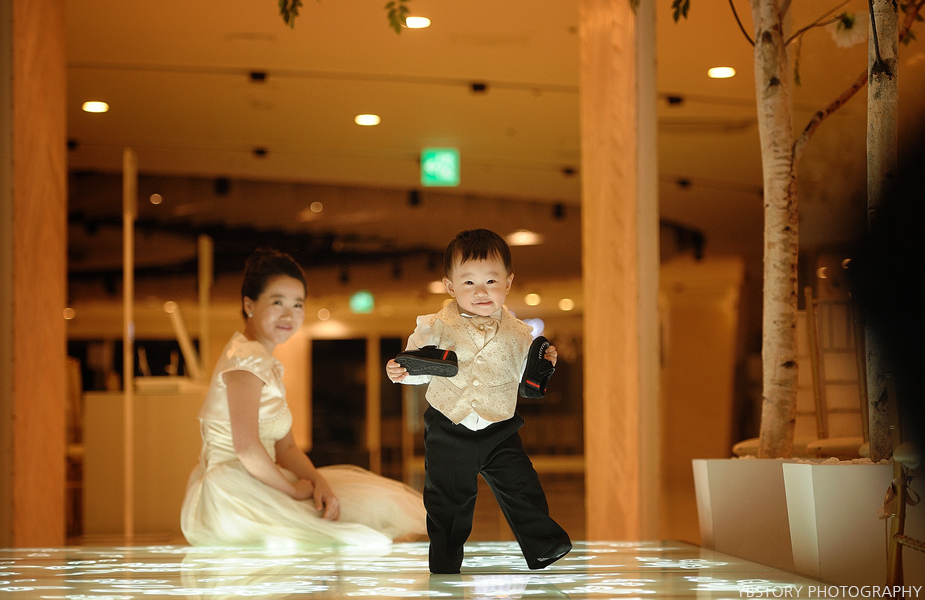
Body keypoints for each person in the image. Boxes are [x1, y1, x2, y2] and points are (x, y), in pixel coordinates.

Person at [181, 248, 426, 547]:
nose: (289, 315)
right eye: (277, 302)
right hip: (235, 493)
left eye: (297, 304)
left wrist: (319, 482)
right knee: (359, 535)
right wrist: (292, 490)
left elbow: (285, 447)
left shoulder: (263, 361)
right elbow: (246, 448)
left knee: (365, 516)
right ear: (249, 304)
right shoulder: (245, 358)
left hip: (261, 480)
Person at [386, 229, 571, 574]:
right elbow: (417, 365)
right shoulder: (435, 326)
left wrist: (545, 364)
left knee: (522, 486)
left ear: (508, 282)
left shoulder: (520, 333)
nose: (481, 291)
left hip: (500, 427)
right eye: (469, 282)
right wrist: (400, 371)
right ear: (450, 286)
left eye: (491, 280)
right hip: (449, 427)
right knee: (448, 501)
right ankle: (445, 564)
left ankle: (544, 546)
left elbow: (524, 376)